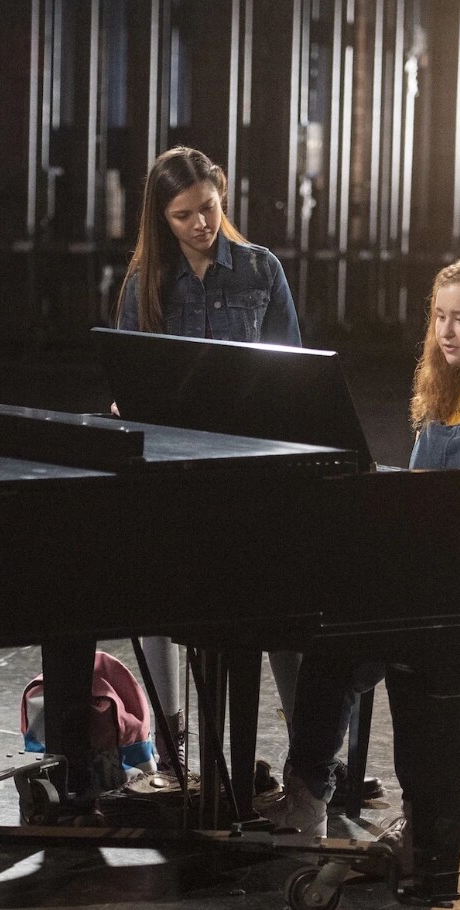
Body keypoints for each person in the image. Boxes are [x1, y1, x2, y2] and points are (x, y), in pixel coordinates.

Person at [265, 256, 460, 868]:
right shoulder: (449, 384)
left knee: (415, 647)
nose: (445, 332)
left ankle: (424, 821)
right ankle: (307, 794)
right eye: (439, 316)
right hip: (443, 567)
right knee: (334, 630)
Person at [111, 145, 302, 768]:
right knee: (161, 596)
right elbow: (129, 386)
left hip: (251, 468)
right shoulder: (144, 286)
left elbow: (293, 374)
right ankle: (171, 742)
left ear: (223, 197)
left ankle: (309, 748)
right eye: (183, 215)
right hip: (176, 469)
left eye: (210, 208)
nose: (201, 223)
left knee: (279, 606)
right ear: (160, 220)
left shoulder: (259, 269)